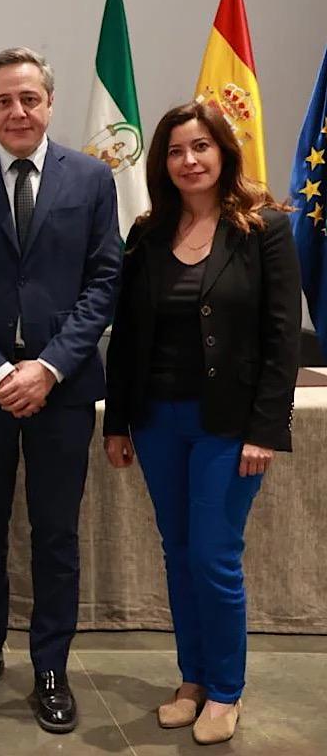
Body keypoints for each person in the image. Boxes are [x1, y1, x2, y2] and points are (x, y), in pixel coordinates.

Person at [0, 46, 120, 733]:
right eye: (3, 100)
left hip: (62, 391)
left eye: (29, 98)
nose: (17, 111)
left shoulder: (93, 180)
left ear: (50, 103)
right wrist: (0, 371)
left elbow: (104, 284)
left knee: (56, 533)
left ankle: (50, 665)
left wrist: (48, 367)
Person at [103, 102, 299, 745]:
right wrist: (118, 421)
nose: (189, 160)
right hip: (158, 420)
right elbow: (128, 336)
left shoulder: (263, 228)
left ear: (223, 153)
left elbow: (280, 339)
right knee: (178, 552)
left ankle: (225, 689)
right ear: (163, 164)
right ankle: (191, 678)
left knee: (215, 555)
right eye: (176, 151)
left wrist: (266, 428)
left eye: (201, 147)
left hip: (229, 425)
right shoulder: (147, 233)